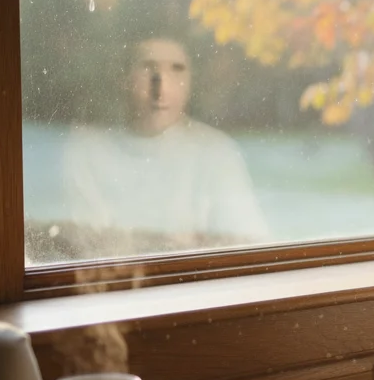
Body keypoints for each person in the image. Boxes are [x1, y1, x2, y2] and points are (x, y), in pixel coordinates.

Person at [60, 36, 270, 258]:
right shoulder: (87, 150)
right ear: (123, 77)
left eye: (177, 70)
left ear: (191, 79)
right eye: (148, 68)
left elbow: (249, 248)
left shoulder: (217, 152)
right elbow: (89, 250)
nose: (161, 87)